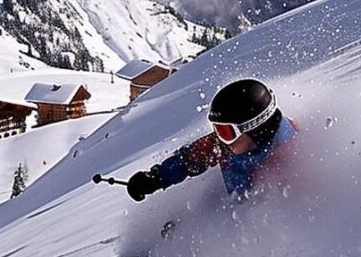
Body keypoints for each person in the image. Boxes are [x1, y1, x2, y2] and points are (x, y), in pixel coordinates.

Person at [127, 78, 297, 202]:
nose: (219, 138)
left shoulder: (286, 160)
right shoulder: (228, 144)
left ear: (255, 129)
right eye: (216, 129)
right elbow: (189, 159)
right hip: (235, 204)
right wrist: (156, 178)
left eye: (225, 131)